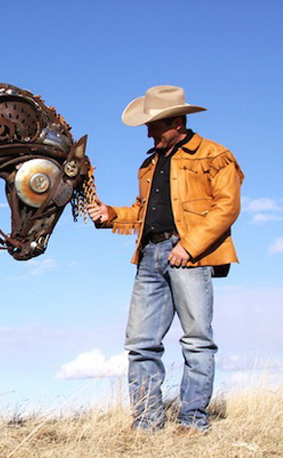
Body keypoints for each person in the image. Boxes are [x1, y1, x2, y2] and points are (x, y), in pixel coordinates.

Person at [88, 85, 244, 433]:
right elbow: (142, 212)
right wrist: (111, 214)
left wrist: (189, 246)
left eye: (154, 125)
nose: (148, 132)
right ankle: (146, 422)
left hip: (189, 256)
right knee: (140, 343)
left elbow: (227, 207)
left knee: (197, 340)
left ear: (176, 122)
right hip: (150, 256)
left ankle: (192, 421)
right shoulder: (149, 164)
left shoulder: (215, 155)